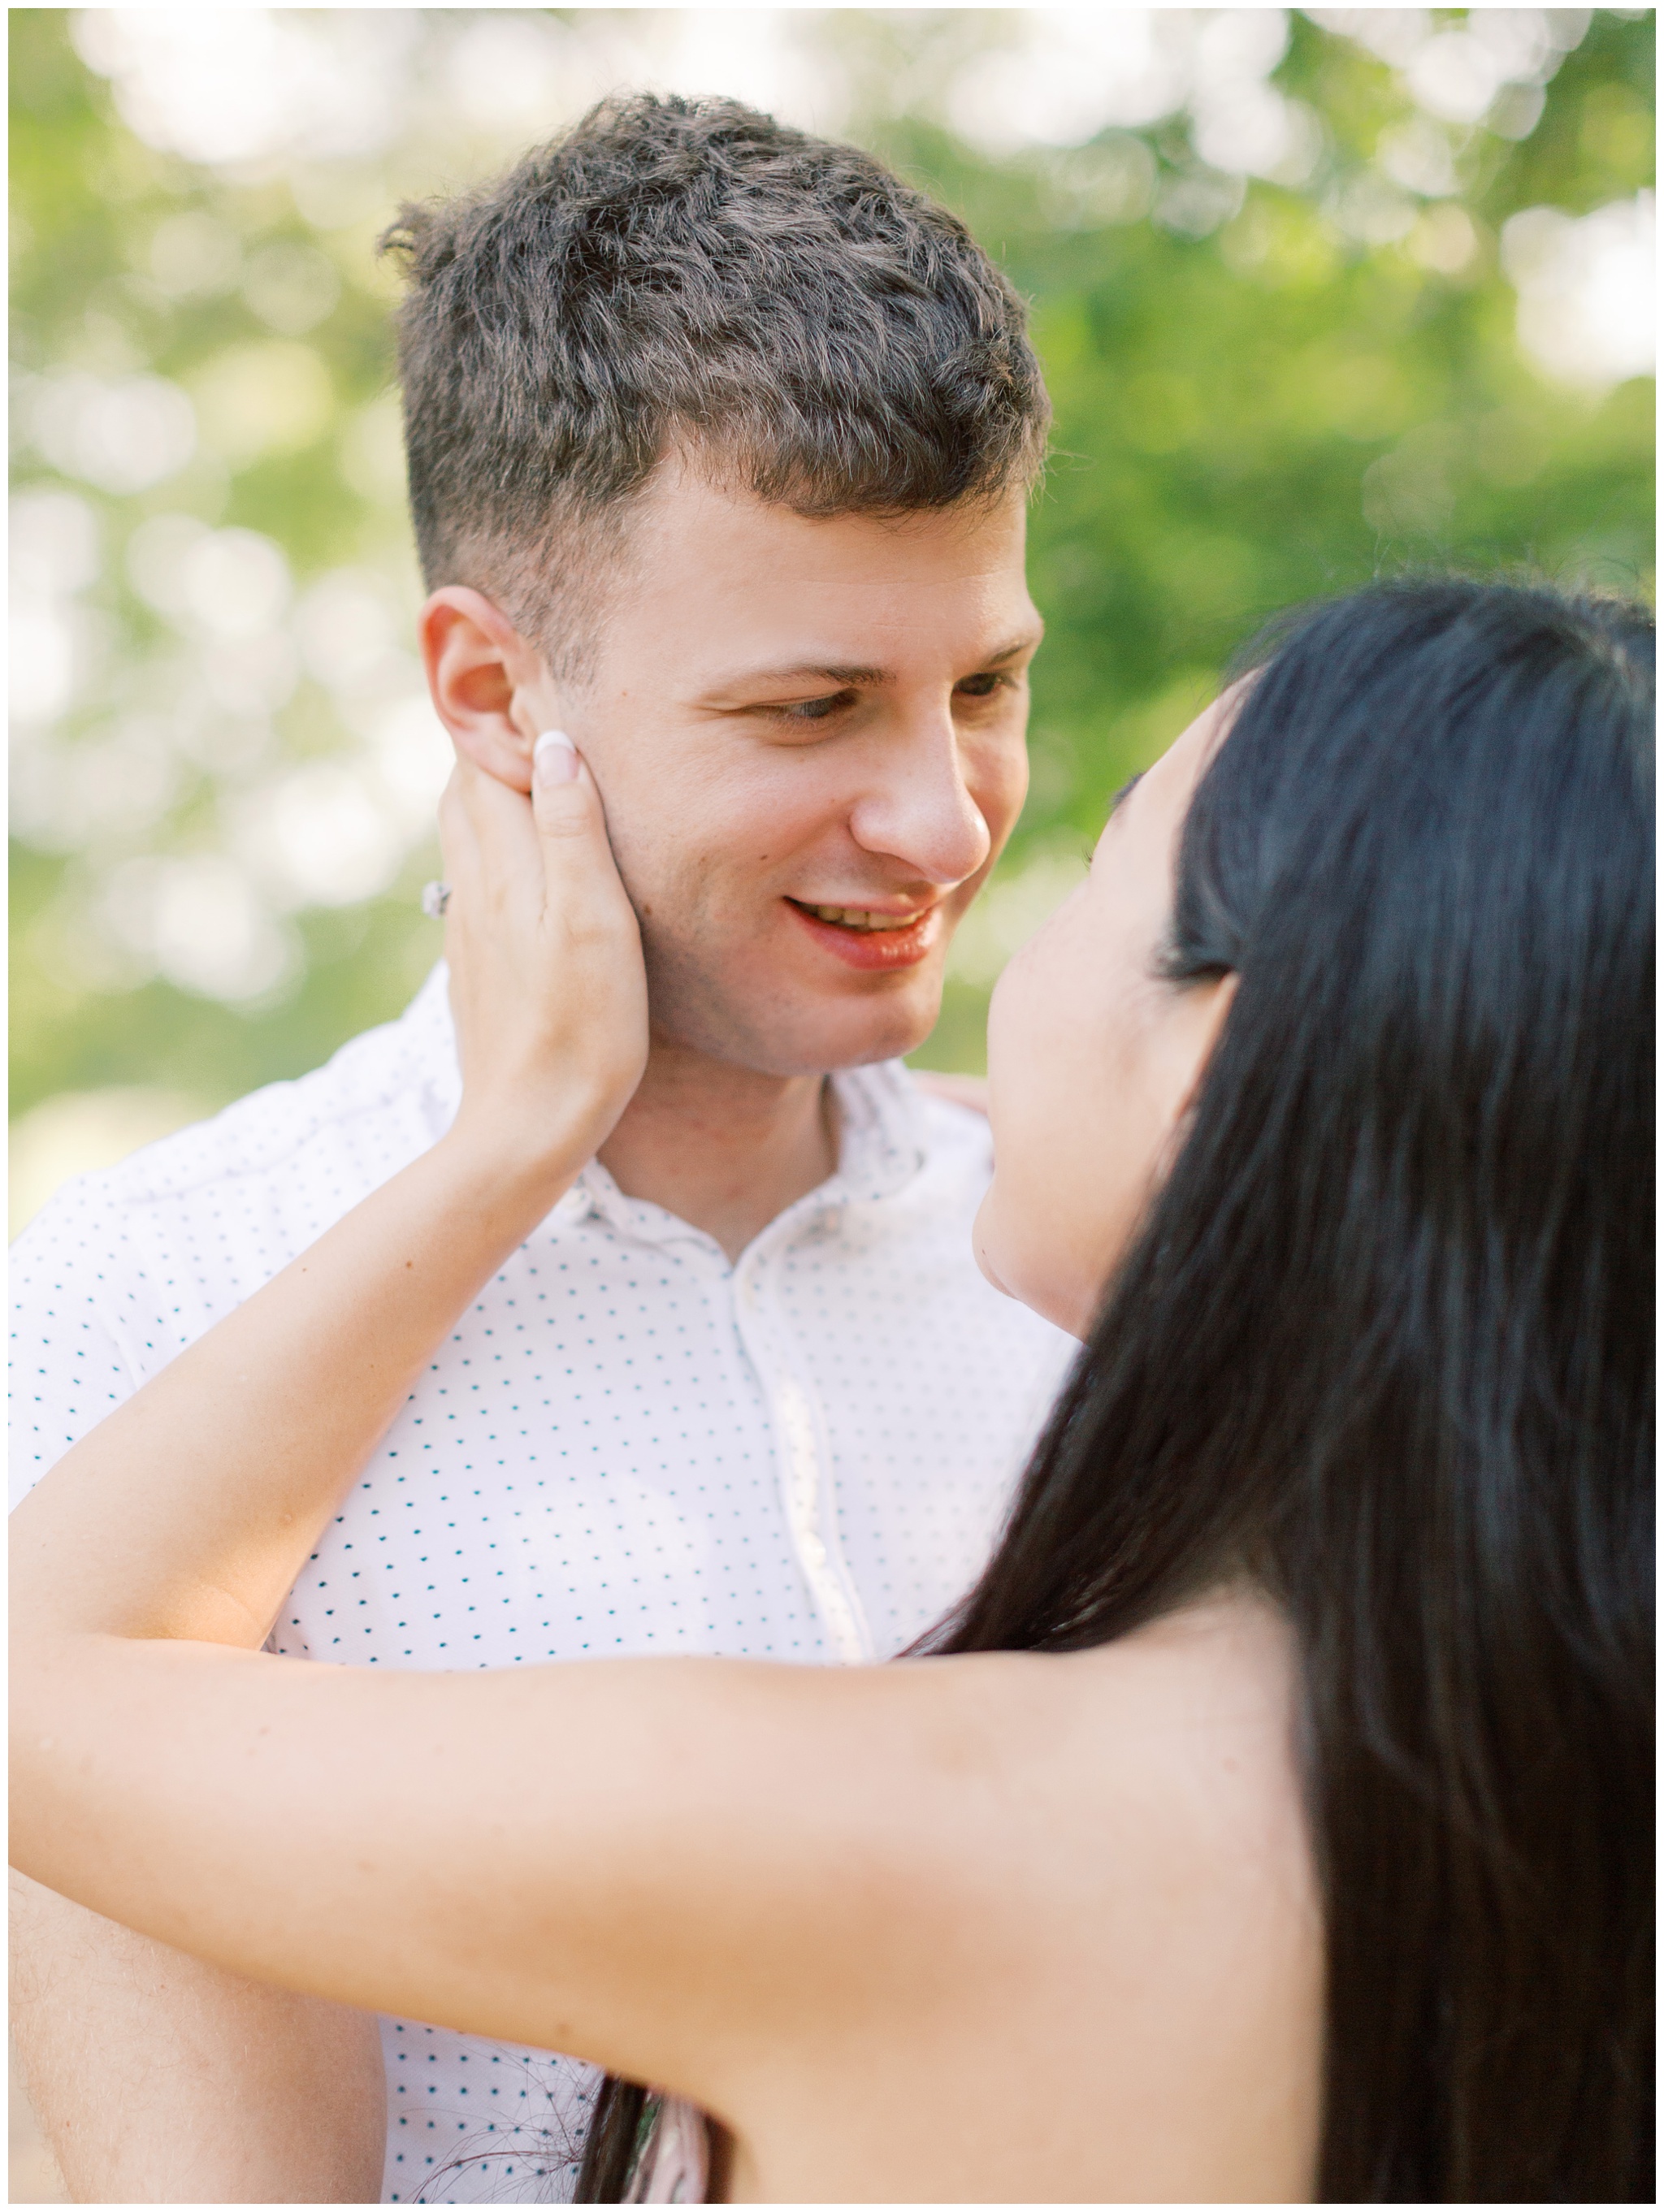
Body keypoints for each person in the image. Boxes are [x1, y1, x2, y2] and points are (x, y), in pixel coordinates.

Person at [12, 575, 1653, 2206]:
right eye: (810, 708)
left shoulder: (890, 1834)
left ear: (1210, 1078)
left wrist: (522, 1125)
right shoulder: (1566, 1778)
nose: (952, 842)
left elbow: (38, 1688)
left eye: (1099, 874)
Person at [7, 94, 1077, 2205]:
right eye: (807, 709)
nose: (942, 819)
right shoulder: (147, 1311)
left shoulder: (1083, 1249)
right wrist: (513, 1143)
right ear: (496, 695)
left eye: (983, 683)